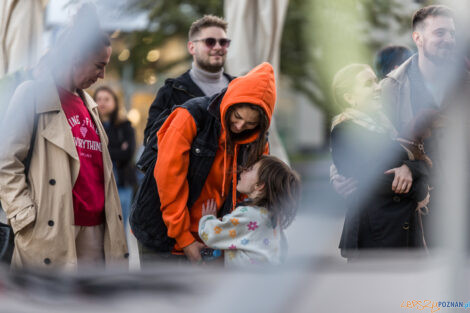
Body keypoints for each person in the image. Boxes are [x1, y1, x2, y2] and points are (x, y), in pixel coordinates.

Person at [0, 5, 128, 269]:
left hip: (98, 231)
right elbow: (5, 162)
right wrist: (24, 218)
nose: (103, 75)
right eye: (99, 65)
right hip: (50, 229)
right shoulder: (32, 94)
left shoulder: (90, 105)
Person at [132, 62, 276, 264]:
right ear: (230, 103)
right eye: (237, 116)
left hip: (213, 239)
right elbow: (169, 179)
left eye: (250, 123)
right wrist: (184, 239)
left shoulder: (258, 140)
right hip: (163, 233)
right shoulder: (191, 114)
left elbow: (256, 190)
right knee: (160, 295)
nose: (240, 126)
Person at [330, 64, 430, 259]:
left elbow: (424, 163)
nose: (377, 88)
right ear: (350, 98)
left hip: (402, 234)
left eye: (376, 81)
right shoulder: (344, 132)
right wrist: (418, 183)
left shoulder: (385, 127)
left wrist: (409, 169)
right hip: (374, 239)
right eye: (368, 84)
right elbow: (373, 179)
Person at [143, 14, 234, 146]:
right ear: (191, 47)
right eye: (210, 41)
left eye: (223, 42)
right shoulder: (171, 92)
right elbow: (152, 142)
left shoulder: (238, 87)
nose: (218, 47)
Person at [198, 155, 300, 266]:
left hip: (244, 280)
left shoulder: (248, 214)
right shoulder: (273, 219)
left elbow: (212, 235)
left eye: (250, 169)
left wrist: (208, 219)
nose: (243, 169)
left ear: (259, 185)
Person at [94, 86, 136, 230]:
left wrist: (104, 150)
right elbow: (93, 153)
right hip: (97, 184)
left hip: (122, 184)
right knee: (99, 229)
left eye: (106, 99)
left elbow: (128, 153)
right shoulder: (91, 125)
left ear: (115, 102)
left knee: (119, 228)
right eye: (98, 99)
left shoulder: (125, 126)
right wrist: (118, 149)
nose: (102, 103)